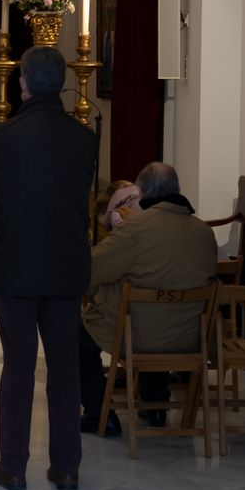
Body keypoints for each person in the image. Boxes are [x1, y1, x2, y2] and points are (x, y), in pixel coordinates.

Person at [0, 47, 97, 490]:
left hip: (14, 267)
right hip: (65, 267)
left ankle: (14, 466)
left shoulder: (1, 137)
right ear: (61, 84)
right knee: (65, 369)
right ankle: (66, 467)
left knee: (19, 367)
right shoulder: (84, 138)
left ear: (23, 83)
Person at [80, 162, 218, 434]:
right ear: (177, 190)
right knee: (160, 315)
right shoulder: (204, 232)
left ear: (142, 192)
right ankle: (155, 407)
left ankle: (100, 414)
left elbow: (91, 270)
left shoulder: (135, 228)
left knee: (78, 335)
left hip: (140, 335)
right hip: (190, 338)